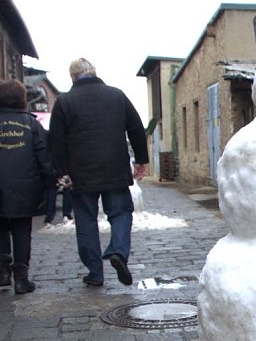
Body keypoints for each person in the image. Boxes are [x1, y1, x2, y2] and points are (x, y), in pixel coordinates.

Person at [49, 58, 149, 287]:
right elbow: (136, 127)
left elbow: (56, 141)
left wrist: (62, 171)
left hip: (80, 172)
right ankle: (118, 252)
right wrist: (141, 160)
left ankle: (95, 272)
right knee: (121, 213)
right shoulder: (116, 95)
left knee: (85, 221)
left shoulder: (64, 102)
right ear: (95, 73)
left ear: (73, 77)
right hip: (114, 168)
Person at [0, 79, 56, 294]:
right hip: (25, 186)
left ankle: (3, 272)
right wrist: (50, 178)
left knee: (0, 229)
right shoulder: (31, 124)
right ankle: (21, 279)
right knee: (22, 231)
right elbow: (43, 155)